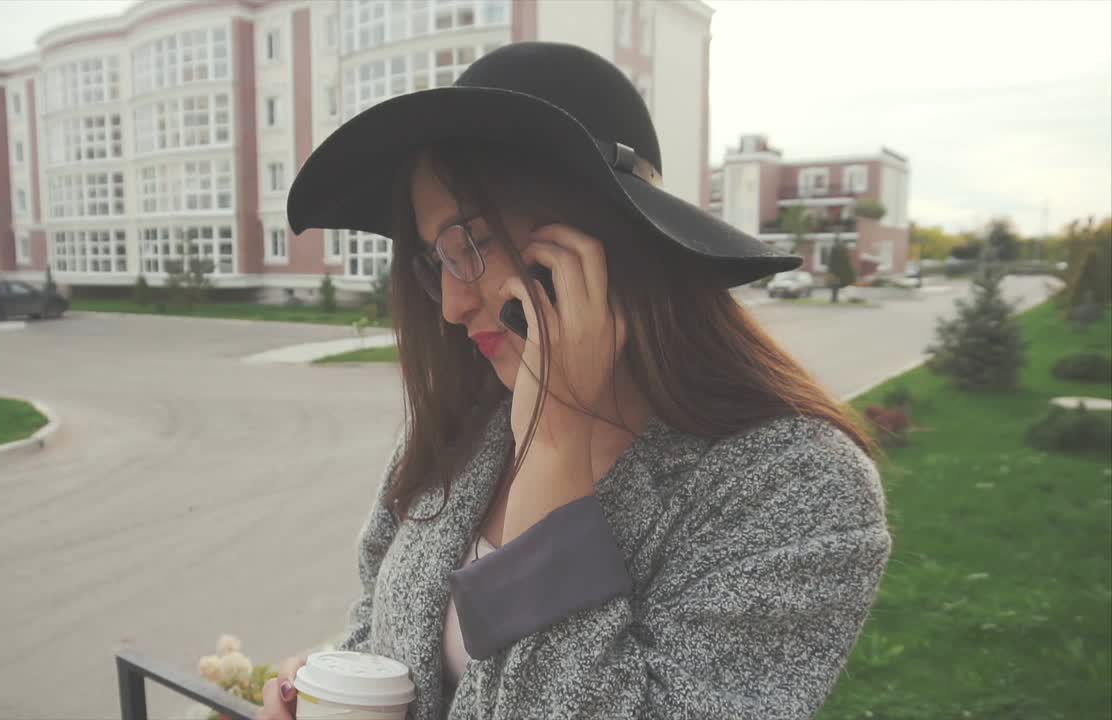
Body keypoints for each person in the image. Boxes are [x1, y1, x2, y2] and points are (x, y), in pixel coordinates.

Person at [259, 42, 891, 720]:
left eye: (472, 244)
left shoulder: (793, 488)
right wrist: (336, 688)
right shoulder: (463, 421)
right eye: (436, 261)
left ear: (602, 240)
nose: (451, 306)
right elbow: (381, 621)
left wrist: (555, 446)